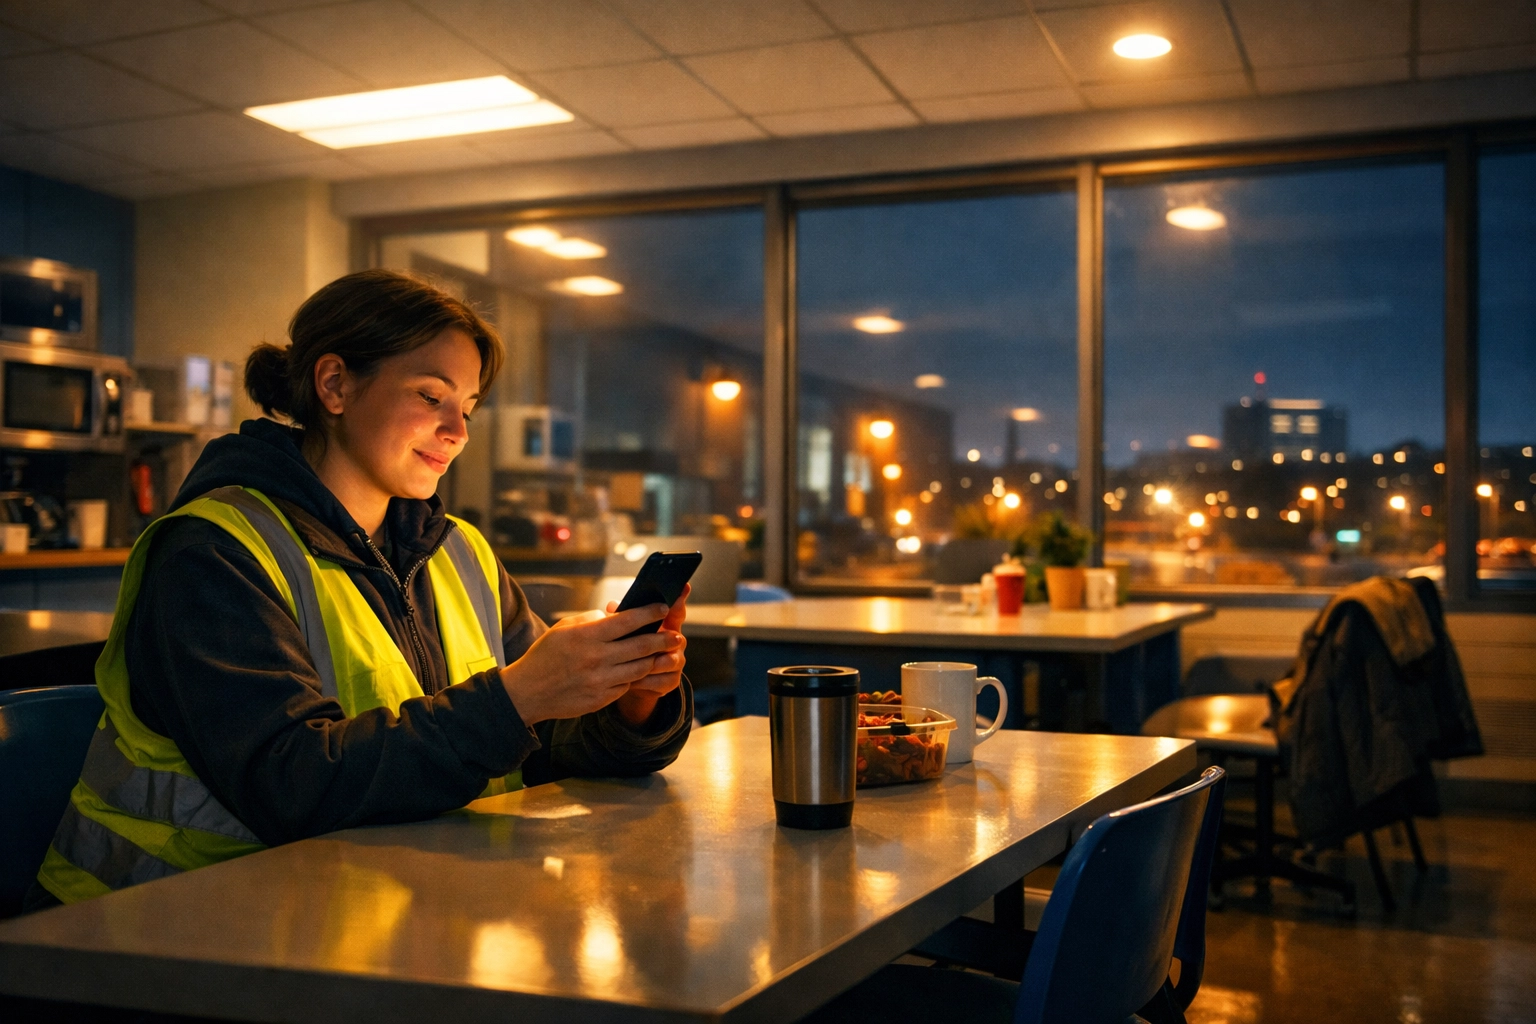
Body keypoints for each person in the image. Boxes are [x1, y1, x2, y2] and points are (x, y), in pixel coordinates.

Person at [31, 270, 692, 907]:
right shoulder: (214, 551)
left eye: (467, 408)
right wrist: (520, 696)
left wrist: (629, 704)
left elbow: (534, 746)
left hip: (369, 911)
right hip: (164, 939)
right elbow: (293, 785)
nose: (458, 432)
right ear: (335, 385)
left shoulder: (459, 552)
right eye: (432, 398)